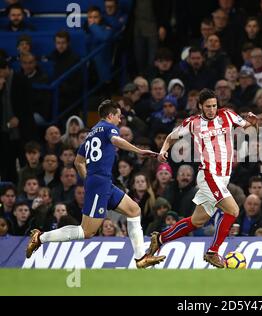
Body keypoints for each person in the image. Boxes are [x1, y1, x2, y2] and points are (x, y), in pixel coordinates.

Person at [26, 100, 165, 269]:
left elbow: (78, 162)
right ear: (110, 115)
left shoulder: (92, 133)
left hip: (101, 182)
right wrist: (139, 151)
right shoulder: (108, 128)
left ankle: (141, 258)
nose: (120, 120)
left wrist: (88, 180)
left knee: (134, 210)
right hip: (99, 183)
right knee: (87, 231)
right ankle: (40, 237)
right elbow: (116, 140)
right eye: (119, 116)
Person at [147, 88, 258, 268]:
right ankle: (213, 252)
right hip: (208, 174)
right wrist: (163, 151)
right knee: (233, 210)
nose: (212, 109)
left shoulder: (227, 115)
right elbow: (171, 136)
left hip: (223, 177)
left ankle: (160, 238)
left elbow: (248, 127)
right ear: (200, 106)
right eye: (208, 106)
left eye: (214, 105)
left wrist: (253, 123)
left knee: (197, 221)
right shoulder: (193, 122)